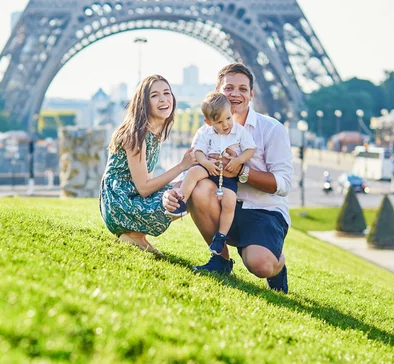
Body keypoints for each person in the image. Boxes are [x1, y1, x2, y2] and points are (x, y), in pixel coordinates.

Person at [163, 63, 294, 293]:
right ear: (218, 91)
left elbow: (283, 185)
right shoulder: (206, 132)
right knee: (199, 187)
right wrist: (171, 194)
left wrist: (242, 172)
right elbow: (189, 175)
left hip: (263, 211)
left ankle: (278, 265)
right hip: (221, 204)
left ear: (251, 94)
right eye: (229, 88)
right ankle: (220, 260)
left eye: (243, 89)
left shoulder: (272, 129)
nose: (235, 94)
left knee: (261, 265)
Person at [99, 74, 196, 254]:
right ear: (143, 103)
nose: (163, 99)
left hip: (129, 198)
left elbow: (148, 185)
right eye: (154, 95)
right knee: (186, 191)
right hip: (119, 204)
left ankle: (138, 235)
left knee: (191, 186)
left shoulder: (153, 134)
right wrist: (182, 166)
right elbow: (144, 188)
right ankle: (132, 234)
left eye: (167, 93)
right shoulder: (136, 134)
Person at [167, 91, 256, 256]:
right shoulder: (206, 133)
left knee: (229, 203)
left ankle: (221, 236)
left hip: (228, 175)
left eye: (228, 119)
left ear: (232, 113)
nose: (225, 125)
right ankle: (181, 200)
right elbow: (199, 152)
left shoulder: (240, 131)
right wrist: (206, 163)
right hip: (209, 169)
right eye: (219, 122)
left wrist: (237, 161)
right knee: (193, 172)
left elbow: (250, 150)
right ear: (208, 122)